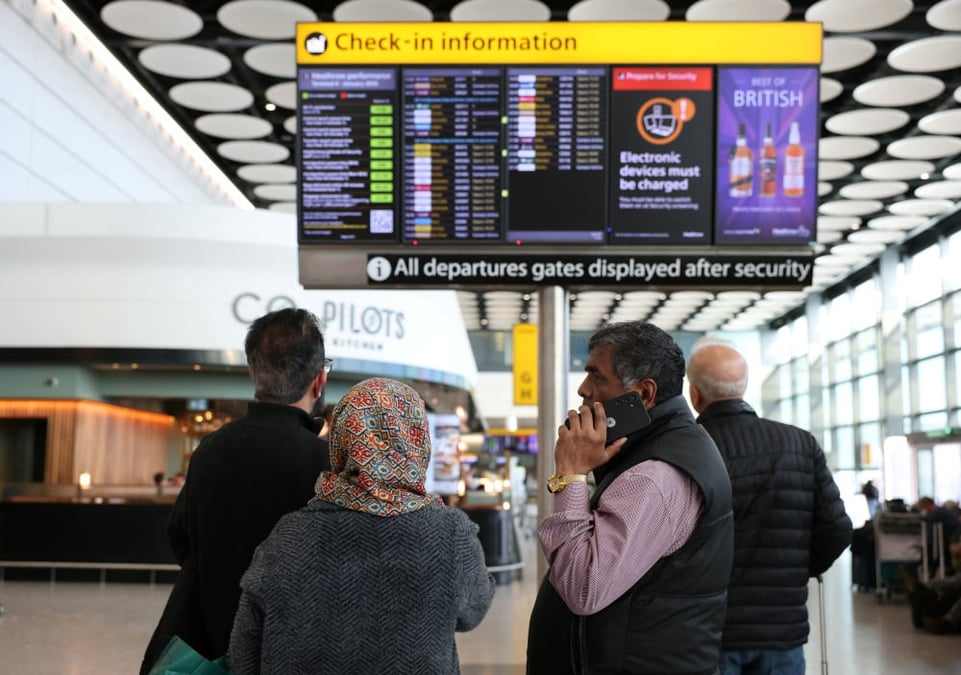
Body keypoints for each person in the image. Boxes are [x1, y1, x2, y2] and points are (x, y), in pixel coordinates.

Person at [227, 377, 495, 674]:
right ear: (417, 438)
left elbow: (243, 655)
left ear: (342, 439)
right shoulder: (449, 533)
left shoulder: (288, 536)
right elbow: (472, 612)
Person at [527, 322, 734, 674]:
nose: (583, 389)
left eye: (597, 376)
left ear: (644, 394)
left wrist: (571, 475)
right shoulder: (661, 450)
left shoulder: (655, 476)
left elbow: (584, 587)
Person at [140, 308, 332, 673]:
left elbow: (180, 535)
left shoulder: (210, 449)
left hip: (211, 645)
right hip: (292, 648)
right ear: (319, 380)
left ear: (253, 373)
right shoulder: (324, 462)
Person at [686, 338, 853, 675]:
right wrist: (795, 569)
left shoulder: (687, 449)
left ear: (695, 394)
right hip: (782, 628)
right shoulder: (800, 443)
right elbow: (837, 528)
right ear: (744, 386)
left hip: (710, 631)